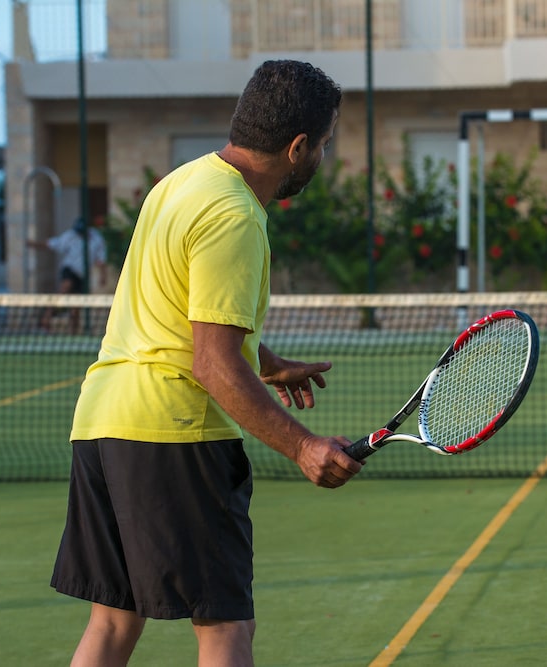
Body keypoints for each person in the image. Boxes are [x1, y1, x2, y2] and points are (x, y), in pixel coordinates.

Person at [49, 60, 363, 667]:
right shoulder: (237, 215)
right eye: (323, 145)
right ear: (297, 148)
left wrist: (263, 361)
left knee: (113, 623)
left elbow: (178, 313)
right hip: (173, 431)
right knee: (224, 629)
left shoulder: (181, 183)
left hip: (102, 424)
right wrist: (302, 447)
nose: (322, 157)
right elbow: (212, 365)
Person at [27, 218, 108, 330]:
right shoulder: (70, 236)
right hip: (69, 269)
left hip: (83, 275)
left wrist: (103, 276)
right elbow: (51, 243)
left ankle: (73, 331)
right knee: (65, 287)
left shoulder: (97, 239)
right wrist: (33, 244)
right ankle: (46, 317)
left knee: (76, 306)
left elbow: (101, 260)